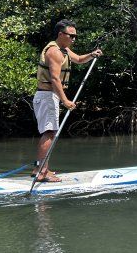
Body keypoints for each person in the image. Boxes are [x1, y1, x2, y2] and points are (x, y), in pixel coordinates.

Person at [33, 19, 102, 181]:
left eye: (75, 36)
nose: (74, 39)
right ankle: (41, 172)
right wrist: (65, 100)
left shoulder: (63, 49)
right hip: (47, 96)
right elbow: (55, 79)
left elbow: (78, 59)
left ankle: (42, 169)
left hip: (51, 97)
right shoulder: (55, 52)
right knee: (49, 133)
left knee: (51, 132)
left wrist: (92, 55)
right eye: (71, 36)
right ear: (60, 34)